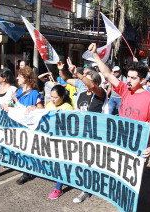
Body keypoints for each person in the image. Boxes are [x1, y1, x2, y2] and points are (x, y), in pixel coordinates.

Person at [88, 43, 150, 161]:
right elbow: (108, 74)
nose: (129, 81)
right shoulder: (125, 90)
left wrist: (149, 147)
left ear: (142, 81)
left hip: (138, 148)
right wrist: (95, 54)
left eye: (133, 78)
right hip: (120, 144)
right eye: (128, 76)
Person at [66, 57, 107, 203]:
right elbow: (77, 109)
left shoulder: (100, 93)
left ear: (95, 82)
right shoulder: (82, 94)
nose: (84, 83)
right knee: (82, 161)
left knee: (92, 162)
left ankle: (87, 189)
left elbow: (90, 84)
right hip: (81, 132)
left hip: (96, 134)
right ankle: (86, 186)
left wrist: (78, 74)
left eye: (87, 80)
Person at [9, 67, 44, 184]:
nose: (17, 78)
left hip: (29, 126)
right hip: (19, 125)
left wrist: (34, 107)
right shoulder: (18, 92)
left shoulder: (34, 93)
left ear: (26, 78)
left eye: (19, 76)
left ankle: (27, 172)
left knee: (28, 148)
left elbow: (42, 110)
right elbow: (16, 106)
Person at [46, 85, 74, 199]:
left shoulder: (67, 108)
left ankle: (58, 188)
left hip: (63, 142)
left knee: (62, 163)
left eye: (55, 97)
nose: (52, 99)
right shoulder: (49, 105)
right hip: (50, 139)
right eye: (51, 96)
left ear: (62, 97)